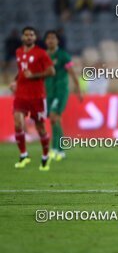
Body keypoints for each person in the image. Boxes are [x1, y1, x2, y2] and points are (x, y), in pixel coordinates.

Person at [11, 27, 55, 170]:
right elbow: (21, 72)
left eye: (31, 35)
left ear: (35, 38)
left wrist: (34, 75)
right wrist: (15, 81)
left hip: (37, 95)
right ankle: (24, 155)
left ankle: (45, 155)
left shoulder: (41, 53)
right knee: (18, 123)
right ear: (23, 37)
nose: (29, 37)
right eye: (26, 35)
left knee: (40, 127)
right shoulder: (18, 52)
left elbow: (51, 71)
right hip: (21, 94)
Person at [44, 31, 82, 161]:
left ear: (57, 41)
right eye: (48, 38)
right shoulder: (43, 56)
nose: (51, 41)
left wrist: (78, 90)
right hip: (49, 91)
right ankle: (60, 150)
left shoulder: (63, 56)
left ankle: (55, 148)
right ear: (45, 41)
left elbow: (72, 73)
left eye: (53, 38)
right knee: (55, 120)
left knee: (54, 117)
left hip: (61, 90)